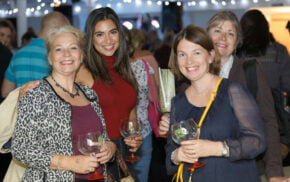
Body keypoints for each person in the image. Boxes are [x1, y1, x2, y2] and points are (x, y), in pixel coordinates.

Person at [11, 25, 116, 181]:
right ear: (49, 58)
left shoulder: (90, 94)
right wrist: (69, 163)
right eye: (59, 49)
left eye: (73, 48)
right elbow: (20, 149)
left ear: (81, 56)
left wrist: (109, 147)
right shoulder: (36, 94)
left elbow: (101, 137)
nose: (66, 54)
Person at [165, 25, 266, 182]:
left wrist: (216, 148)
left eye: (196, 53)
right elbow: (170, 152)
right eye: (182, 54)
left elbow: (257, 142)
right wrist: (176, 156)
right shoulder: (178, 102)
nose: (189, 61)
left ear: (211, 56)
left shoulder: (232, 91)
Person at [76, 7, 142, 180]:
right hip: (97, 156)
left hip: (123, 154)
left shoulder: (124, 69)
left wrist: (134, 136)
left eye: (112, 32)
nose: (108, 40)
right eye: (100, 34)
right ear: (91, 38)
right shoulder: (83, 71)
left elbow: (130, 114)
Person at [1, 11, 70, 98]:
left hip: (21, 109)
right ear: (58, 30)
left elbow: (5, 92)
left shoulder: (18, 54)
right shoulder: (58, 56)